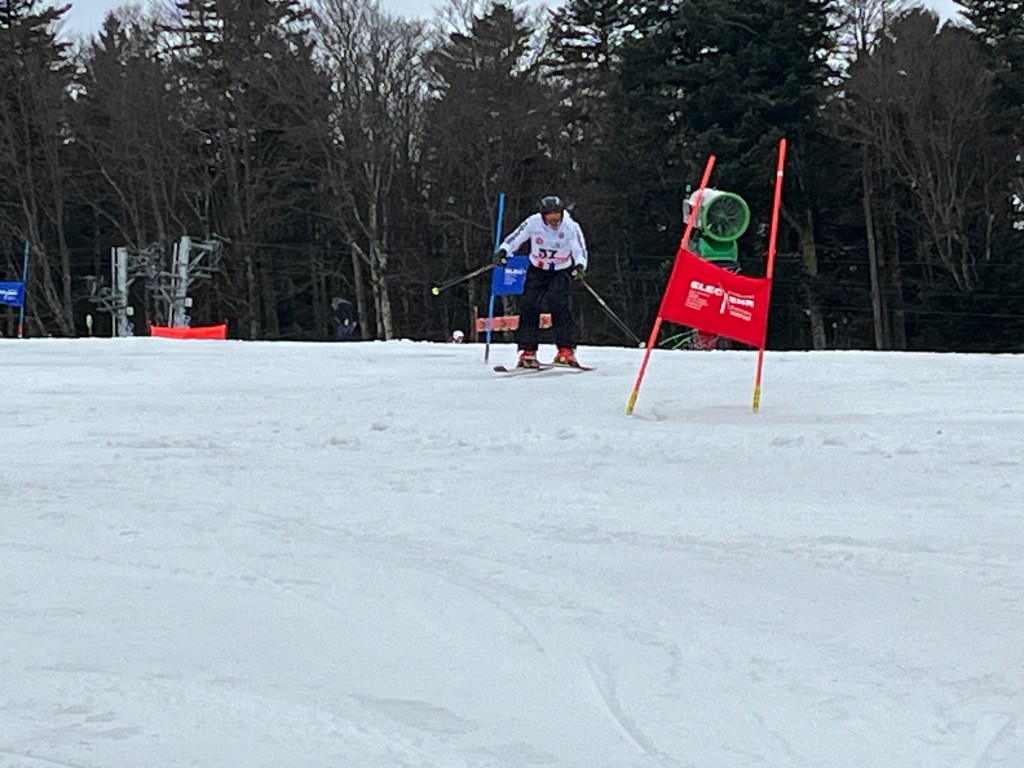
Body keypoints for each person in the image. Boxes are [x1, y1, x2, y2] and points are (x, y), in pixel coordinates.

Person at [494, 195, 589, 368]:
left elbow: (579, 249)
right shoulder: (533, 222)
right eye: (550, 215)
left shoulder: (570, 226)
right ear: (543, 215)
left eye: (557, 214)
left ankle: (566, 350)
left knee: (557, 302)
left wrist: (580, 266)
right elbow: (515, 238)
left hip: (561, 270)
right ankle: (528, 351)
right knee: (529, 304)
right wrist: (504, 251)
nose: (554, 219)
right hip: (538, 269)